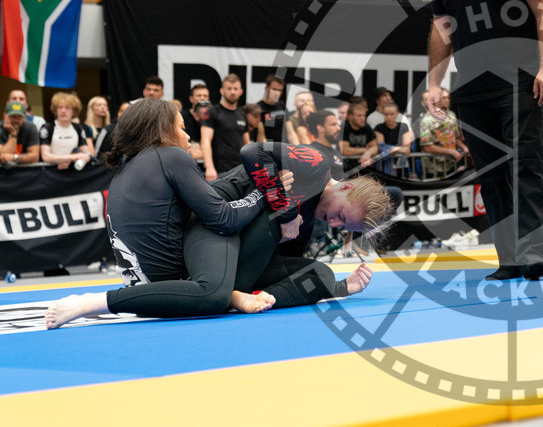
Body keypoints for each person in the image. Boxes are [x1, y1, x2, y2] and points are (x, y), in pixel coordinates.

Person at [45, 100, 387, 329]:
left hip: (235, 241)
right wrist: (283, 210)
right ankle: (99, 302)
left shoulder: (317, 211)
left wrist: (338, 286)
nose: (335, 224)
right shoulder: (318, 164)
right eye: (342, 216)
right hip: (214, 224)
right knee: (214, 289)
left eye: (346, 227)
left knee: (317, 271)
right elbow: (252, 153)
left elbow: (275, 258)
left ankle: (237, 298)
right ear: (344, 188)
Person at [427, 0, 543, 281]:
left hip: (517, 81)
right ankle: (509, 259)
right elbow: (440, 30)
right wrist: (434, 82)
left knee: (524, 164)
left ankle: (534, 254)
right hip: (470, 88)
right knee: (492, 173)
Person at [201, 74, 249, 180]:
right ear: (222, 91)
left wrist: (250, 167)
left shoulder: (242, 115)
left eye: (235, 89)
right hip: (218, 172)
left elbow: (247, 144)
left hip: (240, 171)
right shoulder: (211, 112)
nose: (232, 92)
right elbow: (205, 141)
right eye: (229, 88)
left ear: (240, 91)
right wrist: (209, 168)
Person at [39, 92, 93, 168]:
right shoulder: (47, 128)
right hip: (51, 171)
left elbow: (86, 153)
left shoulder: (78, 128)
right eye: (60, 107)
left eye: (67, 108)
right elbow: (46, 156)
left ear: (74, 111)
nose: (63, 111)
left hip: (72, 170)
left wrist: (73, 160)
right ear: (56, 110)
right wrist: (71, 157)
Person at [373, 102, 413, 175]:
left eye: (391, 114)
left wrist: (392, 150)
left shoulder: (403, 126)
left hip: (402, 166)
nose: (389, 117)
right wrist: (399, 149)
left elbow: (407, 148)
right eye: (386, 114)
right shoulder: (379, 128)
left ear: (397, 114)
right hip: (385, 166)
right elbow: (381, 147)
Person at [0, 101, 41, 166]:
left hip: (25, 173)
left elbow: (35, 157)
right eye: (13, 116)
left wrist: (14, 158)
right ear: (5, 115)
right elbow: (3, 157)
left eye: (19, 117)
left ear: (25, 116)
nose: (16, 120)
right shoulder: (0, 129)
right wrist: (13, 133)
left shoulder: (30, 128)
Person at [257, 75, 288, 142]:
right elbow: (260, 135)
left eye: (279, 90)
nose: (277, 93)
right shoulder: (258, 108)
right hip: (267, 147)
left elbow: (290, 130)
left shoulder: (282, 105)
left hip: (283, 147)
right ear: (266, 88)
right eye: (274, 89)